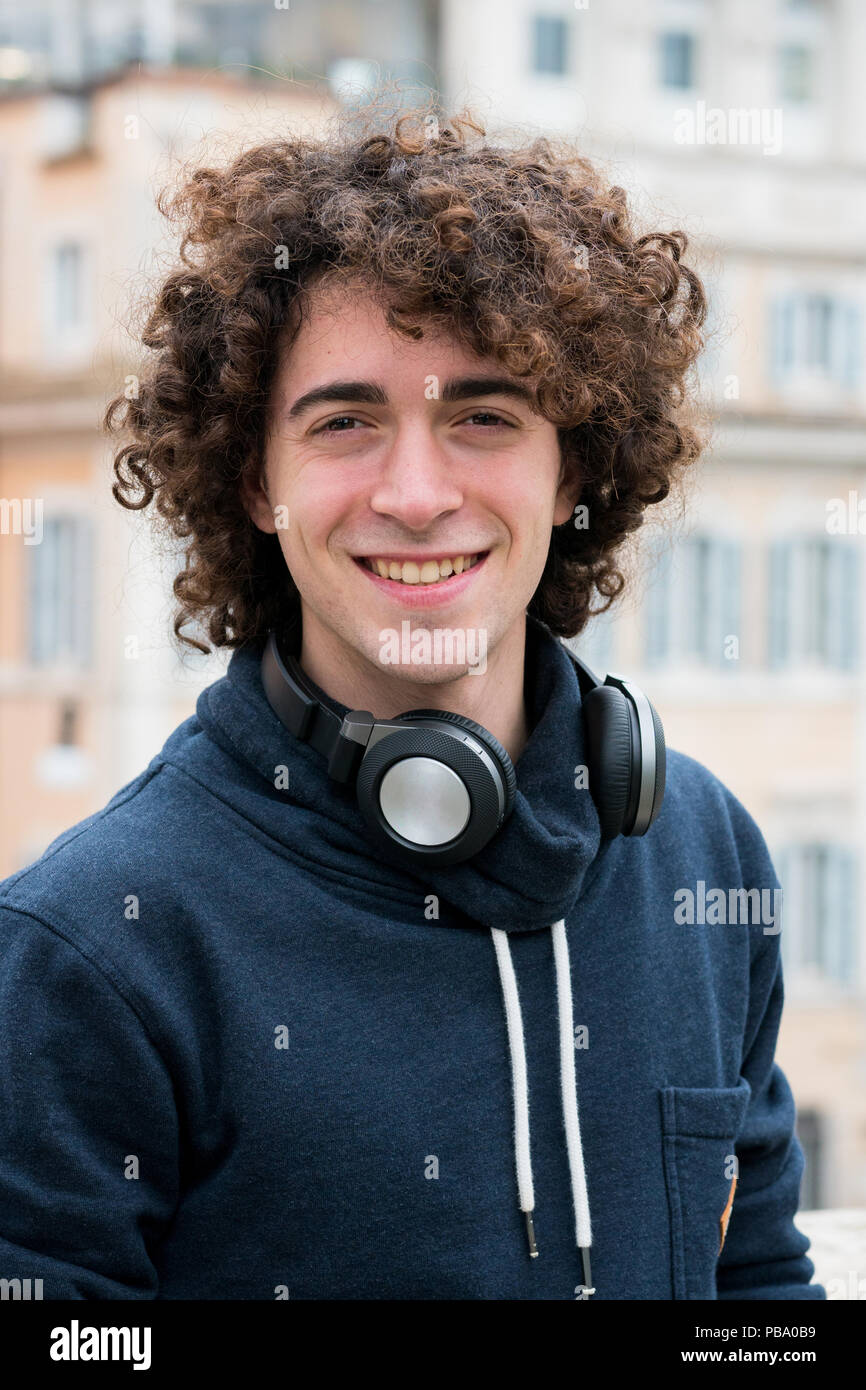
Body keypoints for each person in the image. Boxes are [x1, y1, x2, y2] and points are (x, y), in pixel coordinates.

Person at [0, 106, 824, 1300]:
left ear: (574, 466)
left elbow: (754, 1290)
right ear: (254, 480)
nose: (417, 492)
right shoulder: (85, 946)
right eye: (345, 422)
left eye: (482, 417)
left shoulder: (700, 848)